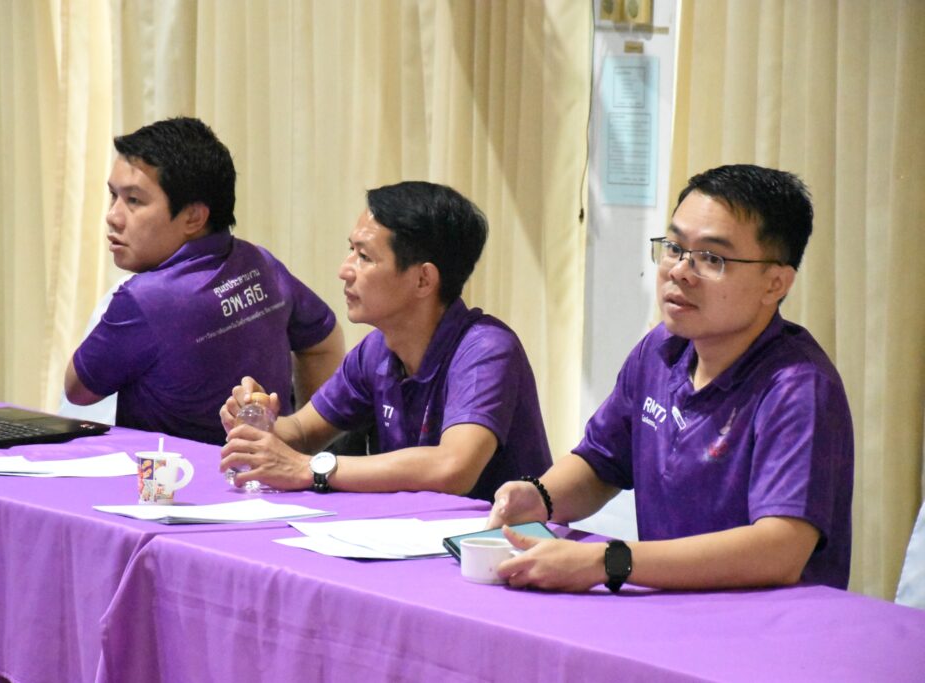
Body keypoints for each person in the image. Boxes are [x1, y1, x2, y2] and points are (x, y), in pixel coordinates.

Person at [487, 164, 854, 592]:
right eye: (675, 247)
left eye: (711, 258)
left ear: (775, 284)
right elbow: (601, 462)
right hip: (668, 602)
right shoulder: (661, 350)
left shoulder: (797, 386)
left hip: (763, 619)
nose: (679, 271)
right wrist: (539, 497)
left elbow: (780, 550)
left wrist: (609, 562)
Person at [218, 181, 552, 500]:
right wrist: (257, 423)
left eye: (364, 257)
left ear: (423, 279)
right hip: (411, 531)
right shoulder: (376, 350)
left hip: (497, 536)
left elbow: (453, 468)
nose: (345, 270)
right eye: (351, 250)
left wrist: (312, 469)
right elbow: (303, 433)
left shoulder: (486, 350)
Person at [65, 117, 344, 445]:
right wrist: (300, 444)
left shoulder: (146, 299)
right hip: (260, 471)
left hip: (173, 476)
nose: (113, 216)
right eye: (113, 195)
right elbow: (323, 343)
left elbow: (77, 391)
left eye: (134, 201)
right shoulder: (261, 264)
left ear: (194, 217)